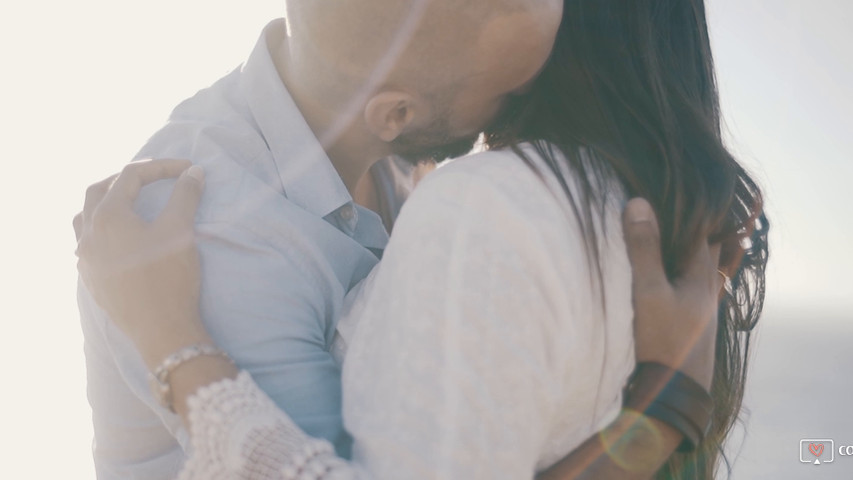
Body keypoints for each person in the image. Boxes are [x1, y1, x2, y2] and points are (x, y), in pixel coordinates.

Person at [75, 0, 769, 478]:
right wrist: (173, 341)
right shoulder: (211, 235)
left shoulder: (383, 138)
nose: (509, 126)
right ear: (395, 112)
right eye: (511, 90)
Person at [76, 2, 563, 478]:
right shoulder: (222, 242)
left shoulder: (339, 102)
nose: (528, 107)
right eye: (513, 93)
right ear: (395, 115)